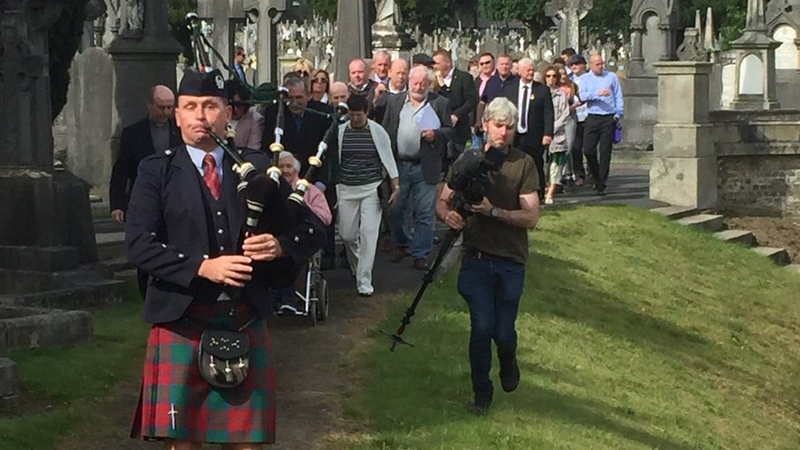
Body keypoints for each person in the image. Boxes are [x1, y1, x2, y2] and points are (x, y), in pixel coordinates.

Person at [126, 69, 325, 447]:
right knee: (182, 443)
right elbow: (138, 244)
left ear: (227, 113)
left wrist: (280, 246)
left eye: (210, 106)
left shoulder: (256, 170)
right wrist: (201, 266)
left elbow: (313, 229)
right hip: (180, 320)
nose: (201, 116)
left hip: (242, 317)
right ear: (178, 115)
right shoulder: (156, 171)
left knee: (244, 443)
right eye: (191, 107)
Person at [436, 97, 540, 416]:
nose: (504, 133)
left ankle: (508, 358)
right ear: (486, 125)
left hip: (510, 260)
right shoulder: (468, 160)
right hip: (477, 258)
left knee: (503, 332)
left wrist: (494, 212)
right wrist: (447, 216)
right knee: (481, 327)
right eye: (499, 126)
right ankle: (481, 392)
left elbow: (531, 217)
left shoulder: (524, 164)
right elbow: (443, 200)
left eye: (510, 128)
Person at [109, 85, 181, 298]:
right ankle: (146, 294)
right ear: (149, 105)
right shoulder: (134, 133)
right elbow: (121, 170)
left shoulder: (179, 131)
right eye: (161, 107)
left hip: (175, 200)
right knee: (144, 247)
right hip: (143, 200)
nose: (166, 113)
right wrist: (118, 204)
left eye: (170, 108)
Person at [382, 65, 452, 271]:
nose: (419, 87)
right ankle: (401, 242)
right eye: (415, 83)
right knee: (396, 209)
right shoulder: (395, 102)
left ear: (429, 84)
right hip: (400, 166)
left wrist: (436, 135)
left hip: (425, 166)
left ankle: (420, 253)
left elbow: (450, 131)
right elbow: (386, 129)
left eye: (423, 83)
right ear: (408, 82)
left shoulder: (440, 103)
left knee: (424, 212)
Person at [335, 95, 399, 296]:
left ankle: (364, 280)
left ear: (366, 113)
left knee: (369, 234)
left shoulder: (377, 131)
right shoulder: (340, 132)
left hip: (371, 188)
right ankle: (358, 265)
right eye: (352, 115)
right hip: (346, 189)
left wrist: (395, 185)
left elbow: (388, 158)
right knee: (347, 234)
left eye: (359, 115)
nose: (355, 119)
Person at [501, 58, 553, 198]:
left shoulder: (542, 90)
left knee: (536, 163)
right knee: (515, 163)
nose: (531, 72)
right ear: (520, 71)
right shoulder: (509, 88)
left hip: (534, 135)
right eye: (528, 70)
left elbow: (548, 113)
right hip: (515, 135)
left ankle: (539, 192)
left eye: (532, 69)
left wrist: (548, 134)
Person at [579, 53, 624, 196]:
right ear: (590, 65)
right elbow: (583, 96)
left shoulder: (611, 77)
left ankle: (601, 183)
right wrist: (598, 93)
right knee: (588, 150)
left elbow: (618, 95)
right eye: (597, 64)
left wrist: (618, 114)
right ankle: (595, 173)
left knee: (605, 152)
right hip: (593, 117)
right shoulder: (585, 79)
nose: (600, 66)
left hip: (608, 117)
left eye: (601, 63)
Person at [433, 49, 477, 150]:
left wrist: (457, 114)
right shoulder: (433, 80)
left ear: (448, 63)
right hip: (440, 131)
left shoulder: (464, 78)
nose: (434, 66)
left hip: (459, 130)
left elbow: (471, 101)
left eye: (437, 63)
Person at [276, 151, 332, 226]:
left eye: (289, 166)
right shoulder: (271, 187)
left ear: (296, 170)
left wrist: (305, 208)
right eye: (281, 167)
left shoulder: (311, 190)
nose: (285, 170)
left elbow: (326, 218)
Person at [542, 65, 571, 204]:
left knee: (555, 165)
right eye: (548, 76)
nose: (551, 79)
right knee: (543, 164)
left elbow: (565, 115)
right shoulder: (541, 92)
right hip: (541, 134)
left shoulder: (561, 94)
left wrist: (551, 128)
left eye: (554, 76)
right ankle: (544, 187)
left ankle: (551, 192)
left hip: (557, 134)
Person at [567, 54, 590, 185]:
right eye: (572, 64)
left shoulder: (589, 78)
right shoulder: (570, 80)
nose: (574, 66)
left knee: (589, 147)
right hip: (575, 117)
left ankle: (592, 172)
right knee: (576, 147)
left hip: (588, 115)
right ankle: (579, 174)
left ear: (583, 65)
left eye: (577, 64)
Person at [226, 79, 264, 151]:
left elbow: (253, 149)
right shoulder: (218, 117)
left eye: (239, 105)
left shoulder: (254, 119)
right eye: (232, 105)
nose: (236, 109)